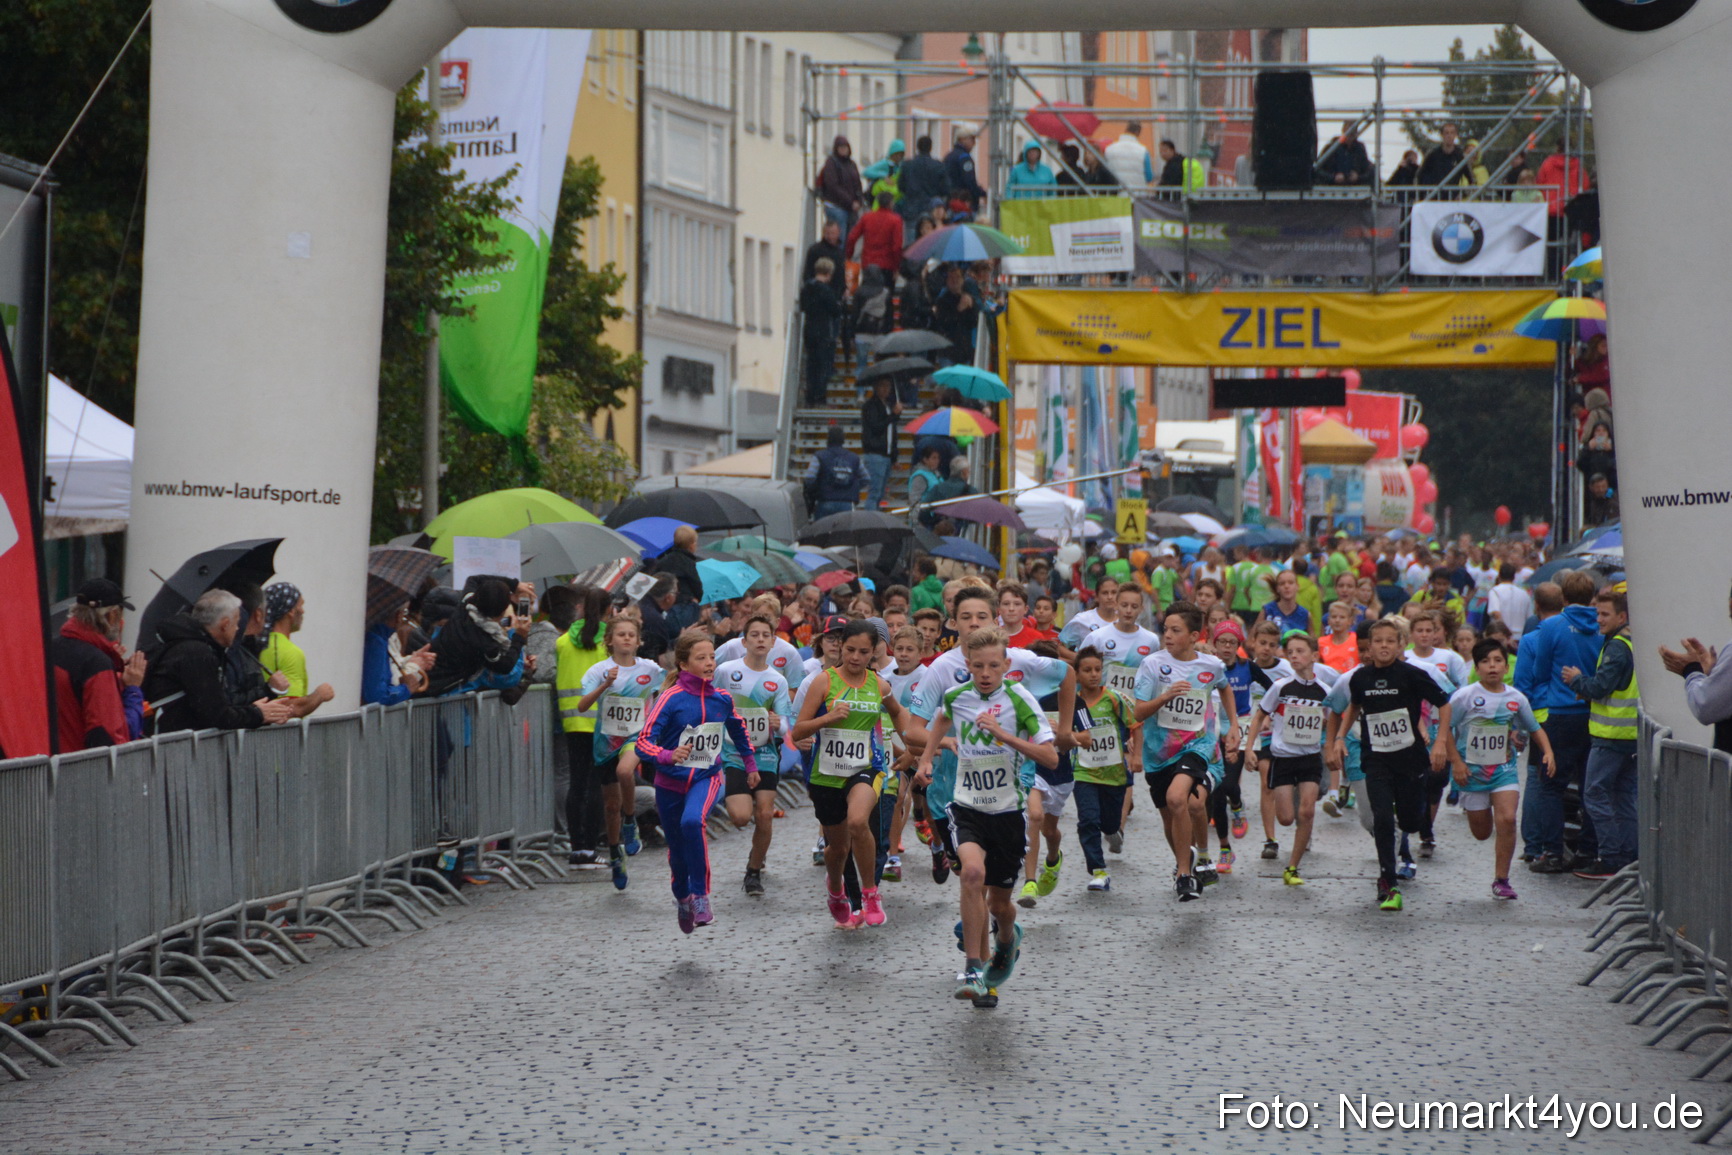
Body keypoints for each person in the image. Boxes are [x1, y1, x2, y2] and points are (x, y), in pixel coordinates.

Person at [915, 626, 1057, 1005]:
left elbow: (1050, 757)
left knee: (999, 906)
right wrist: (927, 758)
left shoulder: (1020, 698)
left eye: (993, 666)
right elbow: (941, 719)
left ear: (1006, 665)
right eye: (978, 666)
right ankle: (973, 968)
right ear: (967, 664)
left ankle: (1007, 939)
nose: (985, 673)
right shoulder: (956, 696)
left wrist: (1005, 736)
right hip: (967, 807)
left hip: (1008, 812)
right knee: (972, 874)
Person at [635, 629, 759, 933]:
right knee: (677, 852)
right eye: (701, 658)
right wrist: (667, 755)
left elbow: (739, 730)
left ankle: (701, 896)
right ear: (683, 664)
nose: (709, 663)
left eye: (712, 657)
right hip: (669, 783)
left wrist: (750, 764)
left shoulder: (722, 699)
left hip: (707, 777)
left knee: (693, 822)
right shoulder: (670, 698)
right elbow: (643, 743)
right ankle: (683, 897)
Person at [791, 620, 912, 929]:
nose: (856, 657)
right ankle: (835, 888)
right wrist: (828, 718)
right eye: (850, 650)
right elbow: (798, 731)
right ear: (841, 648)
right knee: (838, 848)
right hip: (827, 774)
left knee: (859, 821)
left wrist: (912, 747)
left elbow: (898, 713)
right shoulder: (824, 682)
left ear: (874, 652)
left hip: (866, 767)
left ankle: (870, 894)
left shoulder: (879, 685)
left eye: (863, 652)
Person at [1327, 618, 1453, 912]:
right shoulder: (1360, 678)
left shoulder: (1413, 675)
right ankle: (1388, 881)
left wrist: (1440, 742)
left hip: (1410, 759)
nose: (1383, 646)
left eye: (1389, 641)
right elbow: (1354, 705)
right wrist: (1340, 737)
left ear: (1399, 646)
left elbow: (1444, 704)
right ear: (1369, 647)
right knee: (1381, 818)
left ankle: (1409, 828)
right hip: (1376, 759)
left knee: (1410, 821)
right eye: (1378, 641)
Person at [1132, 601, 1240, 902]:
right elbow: (1137, 712)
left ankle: (1185, 873)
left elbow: (1224, 687)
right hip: (1159, 753)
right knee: (1170, 816)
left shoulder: (1211, 665)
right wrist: (1164, 697)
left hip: (1198, 746)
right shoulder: (1152, 665)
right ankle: (1187, 860)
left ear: (1194, 636)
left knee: (1179, 798)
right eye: (1165, 629)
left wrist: (1232, 725)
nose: (1167, 635)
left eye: (1175, 630)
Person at [1447, 639, 1553, 901]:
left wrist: (1548, 752)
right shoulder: (1464, 697)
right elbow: (1445, 730)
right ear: (1477, 668)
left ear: (1506, 667)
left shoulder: (1515, 698)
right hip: (1471, 772)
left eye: (1497, 661)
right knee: (1481, 833)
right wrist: (1456, 763)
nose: (1492, 666)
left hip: (1503, 769)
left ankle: (1502, 880)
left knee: (1507, 819)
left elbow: (1534, 728)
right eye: (1485, 662)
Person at [1515, 570, 1604, 872]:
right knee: (1589, 787)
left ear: (1564, 597)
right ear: (1591, 597)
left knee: (1551, 785)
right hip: (1593, 714)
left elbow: (1540, 671)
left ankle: (1553, 854)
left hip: (1561, 714)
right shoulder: (1602, 625)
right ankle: (1588, 852)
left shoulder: (1553, 625)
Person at [1561, 586, 1639, 880]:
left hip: (1611, 736)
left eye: (1605, 614)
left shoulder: (1617, 646)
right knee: (1622, 797)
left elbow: (1600, 686)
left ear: (1622, 617)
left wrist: (1577, 680)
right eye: (1598, 614)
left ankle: (1610, 858)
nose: (1599, 620)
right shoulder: (1630, 642)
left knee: (1595, 794)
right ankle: (1629, 857)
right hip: (1629, 736)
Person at [715, 615, 795, 897]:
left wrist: (777, 723)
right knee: (740, 817)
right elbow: (711, 702)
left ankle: (753, 871)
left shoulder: (777, 681)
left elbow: (785, 725)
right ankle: (754, 842)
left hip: (765, 754)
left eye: (766, 635)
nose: (760, 640)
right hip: (734, 753)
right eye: (755, 635)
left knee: (764, 814)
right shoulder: (726, 671)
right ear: (744, 641)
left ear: (773, 642)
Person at [1244, 633, 1331, 886]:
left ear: (1314, 656)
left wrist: (1334, 741)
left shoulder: (1325, 691)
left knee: (1307, 811)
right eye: (1290, 652)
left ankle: (1292, 868)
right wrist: (1249, 748)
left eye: (1300, 651)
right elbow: (1259, 717)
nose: (1294, 656)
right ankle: (1292, 801)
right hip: (1282, 758)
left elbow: (1335, 718)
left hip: (1310, 758)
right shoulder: (1281, 687)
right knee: (1286, 818)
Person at [143, 589, 295, 734]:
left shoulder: (194, 647)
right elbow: (217, 715)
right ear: (225, 624)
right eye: (236, 622)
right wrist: (258, 714)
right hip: (174, 744)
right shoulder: (196, 653)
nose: (237, 629)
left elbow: (219, 704)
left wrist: (256, 706)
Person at [562, 589, 637, 884]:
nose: (626, 638)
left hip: (576, 722)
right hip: (604, 727)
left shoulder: (562, 641)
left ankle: (580, 847)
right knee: (601, 790)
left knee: (580, 783)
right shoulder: (606, 648)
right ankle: (598, 848)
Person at [53, 578, 146, 751]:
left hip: (42, 761)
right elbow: (107, 733)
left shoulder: (49, 650)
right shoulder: (96, 663)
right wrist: (132, 689)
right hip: (78, 763)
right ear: (112, 616)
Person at [258, 582, 336, 716]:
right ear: (290, 611)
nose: (303, 611)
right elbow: (292, 708)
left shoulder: (255, 644)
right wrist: (319, 695)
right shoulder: (290, 652)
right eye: (301, 605)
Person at [1082, 584, 1161, 700]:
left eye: (1134, 607)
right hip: (1103, 703)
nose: (1128, 611)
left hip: (1135, 704)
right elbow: (1080, 670)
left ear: (1141, 609)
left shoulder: (1151, 640)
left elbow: (1153, 676)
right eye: (1124, 605)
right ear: (1116, 605)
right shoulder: (1097, 637)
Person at [800, 257, 843, 408]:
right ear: (828, 273)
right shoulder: (826, 290)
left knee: (811, 365)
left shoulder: (807, 288)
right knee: (822, 365)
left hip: (809, 330)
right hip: (823, 330)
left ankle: (810, 397)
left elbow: (804, 306)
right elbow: (835, 310)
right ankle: (820, 397)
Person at [804, 425, 867, 519]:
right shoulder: (854, 458)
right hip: (847, 503)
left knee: (822, 528)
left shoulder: (819, 456)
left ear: (828, 439)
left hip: (825, 501)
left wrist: (817, 490)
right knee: (845, 528)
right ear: (843, 439)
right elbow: (866, 478)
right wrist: (853, 487)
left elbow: (809, 478)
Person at [859, 377, 901, 511]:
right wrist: (893, 415)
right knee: (874, 493)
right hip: (875, 454)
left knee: (880, 494)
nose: (886, 389)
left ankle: (874, 516)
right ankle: (869, 520)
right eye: (882, 385)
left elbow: (892, 433)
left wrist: (894, 457)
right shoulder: (870, 406)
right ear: (875, 387)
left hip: (886, 455)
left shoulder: (887, 406)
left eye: (888, 386)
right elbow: (876, 427)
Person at [845, 191, 903, 282]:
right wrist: (897, 266)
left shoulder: (867, 217)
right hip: (887, 264)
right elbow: (897, 246)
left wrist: (849, 254)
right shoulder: (896, 220)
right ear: (891, 203)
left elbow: (852, 237)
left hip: (868, 262)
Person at [899, 135, 949, 241]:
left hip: (911, 210)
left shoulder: (907, 165)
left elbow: (901, 187)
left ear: (917, 147)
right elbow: (946, 189)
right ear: (931, 147)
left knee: (912, 245)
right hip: (932, 210)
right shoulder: (938, 166)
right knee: (931, 243)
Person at [930, 264, 979, 365]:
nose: (955, 280)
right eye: (951, 277)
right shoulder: (942, 301)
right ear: (947, 281)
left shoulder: (967, 298)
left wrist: (972, 307)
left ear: (963, 280)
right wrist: (959, 309)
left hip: (964, 351)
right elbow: (945, 324)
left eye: (957, 277)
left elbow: (973, 323)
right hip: (948, 353)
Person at [816, 135, 864, 233]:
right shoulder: (831, 163)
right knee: (839, 237)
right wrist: (851, 202)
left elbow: (858, 184)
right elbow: (833, 186)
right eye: (841, 147)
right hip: (836, 206)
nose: (843, 149)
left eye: (845, 147)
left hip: (850, 209)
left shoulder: (852, 164)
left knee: (849, 237)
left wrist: (859, 200)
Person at [943, 125, 986, 220]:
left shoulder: (948, 156)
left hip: (950, 202)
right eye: (972, 139)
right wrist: (981, 193)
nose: (974, 143)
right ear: (962, 139)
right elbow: (970, 181)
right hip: (964, 203)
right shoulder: (964, 157)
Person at [1256, 570, 1310, 636]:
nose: (1286, 586)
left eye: (1291, 583)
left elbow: (1312, 640)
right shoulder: (1267, 610)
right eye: (1282, 584)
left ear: (1297, 587)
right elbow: (1252, 639)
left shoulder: (1305, 614)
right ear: (1277, 589)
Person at [638, 575, 679, 663]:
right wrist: (680, 641)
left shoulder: (640, 602)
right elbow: (660, 651)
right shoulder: (654, 620)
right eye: (676, 593)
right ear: (668, 598)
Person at [1417, 121, 1468, 190]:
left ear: (1455, 135)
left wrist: (1465, 193)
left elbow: (1471, 177)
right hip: (1435, 194)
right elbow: (1420, 175)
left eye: (1452, 133)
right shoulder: (1432, 154)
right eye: (1446, 133)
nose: (1449, 136)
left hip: (1453, 195)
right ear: (1442, 135)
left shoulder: (1460, 155)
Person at [1317, 121, 1371, 186]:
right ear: (1343, 131)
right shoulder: (1331, 147)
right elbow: (1317, 170)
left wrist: (1358, 177)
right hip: (1333, 188)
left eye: (1353, 134)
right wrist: (1333, 177)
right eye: (1348, 133)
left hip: (1355, 189)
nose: (1350, 137)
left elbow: (1368, 171)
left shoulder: (1359, 148)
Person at [1485, 564, 1534, 635]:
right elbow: (1530, 617)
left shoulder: (1495, 591)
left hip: (1502, 635)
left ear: (1499, 576)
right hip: (1520, 634)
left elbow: (1496, 613)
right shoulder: (1524, 594)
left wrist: (1506, 633)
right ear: (1514, 577)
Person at [1104, 121, 1155, 189]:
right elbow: (1149, 177)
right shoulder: (1143, 151)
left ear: (1126, 130)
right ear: (1138, 133)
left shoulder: (1109, 149)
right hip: (1137, 192)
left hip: (1116, 192)